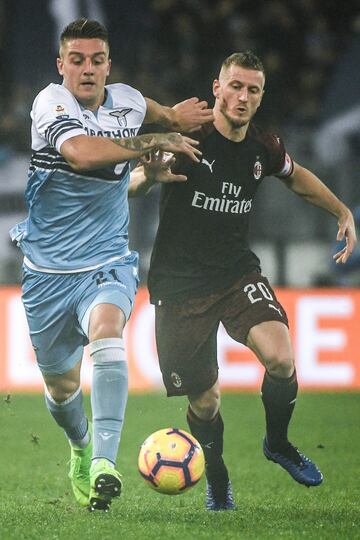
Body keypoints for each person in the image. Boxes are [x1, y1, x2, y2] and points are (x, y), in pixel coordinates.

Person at [135, 51, 357, 511]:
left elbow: (295, 178)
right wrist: (147, 176)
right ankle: (216, 477)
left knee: (280, 356)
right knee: (206, 401)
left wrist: (341, 209)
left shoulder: (263, 146)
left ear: (260, 97)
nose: (243, 97)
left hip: (237, 273)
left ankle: (277, 443)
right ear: (217, 89)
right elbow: (137, 180)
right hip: (179, 287)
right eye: (235, 86)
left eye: (253, 90)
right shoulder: (185, 137)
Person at [10, 18, 214, 512]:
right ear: (61, 66)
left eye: (96, 60)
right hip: (47, 275)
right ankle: (80, 448)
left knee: (107, 331)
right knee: (61, 390)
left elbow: (165, 119)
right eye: (76, 60)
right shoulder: (50, 104)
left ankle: (104, 462)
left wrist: (159, 156)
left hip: (108, 259)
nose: (87, 69)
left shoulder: (130, 101)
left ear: (108, 65)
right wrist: (154, 141)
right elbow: (82, 156)